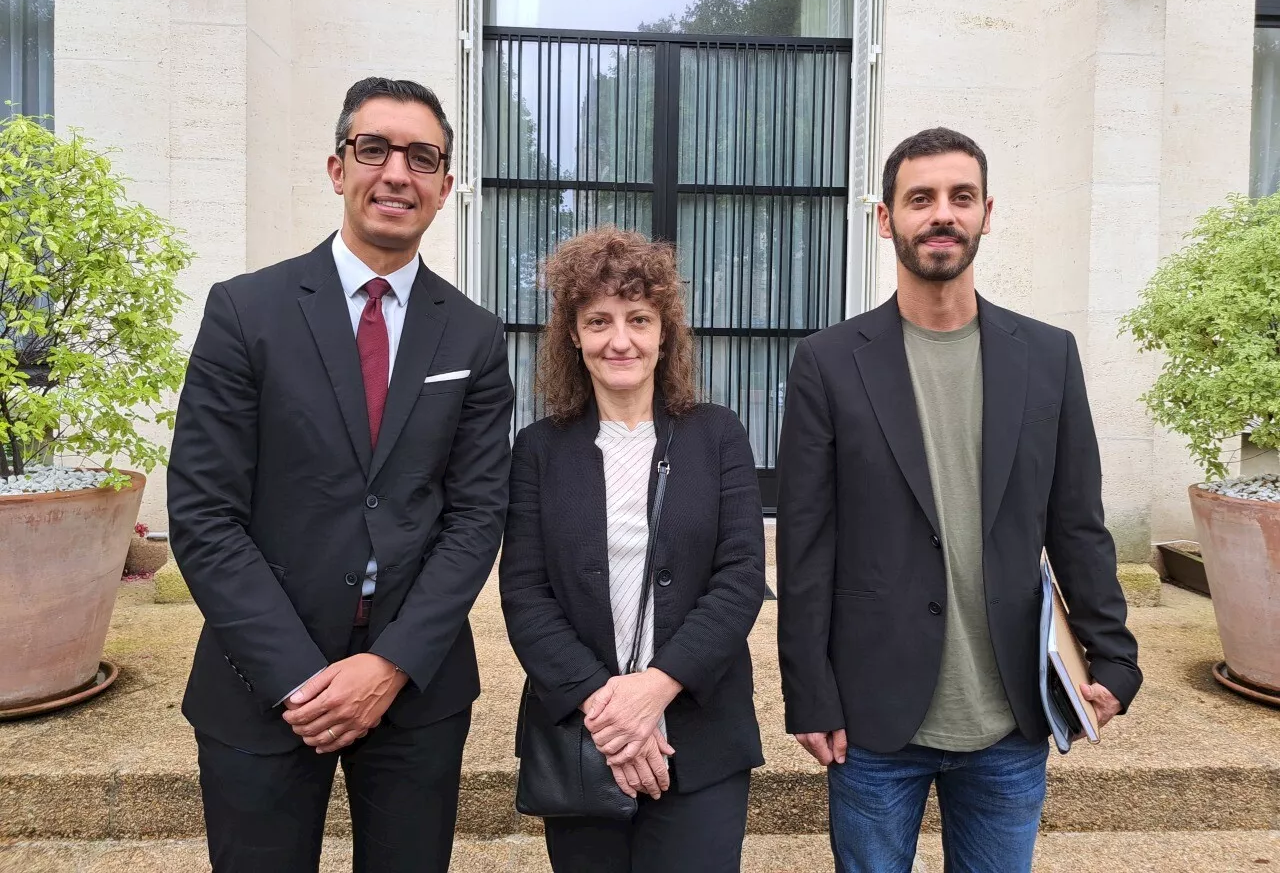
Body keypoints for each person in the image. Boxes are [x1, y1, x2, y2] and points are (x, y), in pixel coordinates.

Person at [167, 77, 515, 873]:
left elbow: (475, 516)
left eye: (421, 157)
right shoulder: (244, 313)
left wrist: (388, 665)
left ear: (445, 187)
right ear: (337, 168)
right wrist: (298, 678)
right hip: (260, 684)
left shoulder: (473, 335)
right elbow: (204, 515)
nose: (397, 172)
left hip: (414, 686)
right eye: (375, 149)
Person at [775, 127, 1142, 873]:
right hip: (874, 720)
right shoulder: (828, 363)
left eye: (960, 197)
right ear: (886, 220)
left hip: (1010, 713)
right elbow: (807, 544)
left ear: (986, 212)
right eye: (921, 199)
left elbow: (1077, 523)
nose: (942, 214)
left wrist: (1114, 654)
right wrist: (808, 691)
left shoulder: (1048, 356)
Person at [499, 227, 767, 873]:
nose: (620, 340)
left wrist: (654, 690)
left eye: (638, 319)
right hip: (581, 740)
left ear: (664, 329)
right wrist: (608, 710)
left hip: (701, 740)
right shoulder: (537, 451)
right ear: (572, 334)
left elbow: (739, 580)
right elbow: (525, 595)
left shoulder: (718, 436)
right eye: (599, 321)